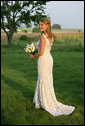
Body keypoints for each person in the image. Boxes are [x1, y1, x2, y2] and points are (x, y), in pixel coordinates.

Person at [30, 18, 75, 117]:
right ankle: (39, 100)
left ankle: (44, 102)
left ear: (47, 26)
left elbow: (41, 52)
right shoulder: (51, 36)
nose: (40, 26)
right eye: (39, 24)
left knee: (43, 79)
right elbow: (46, 50)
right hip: (49, 58)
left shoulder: (42, 37)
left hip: (43, 60)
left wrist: (33, 56)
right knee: (46, 79)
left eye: (42, 25)